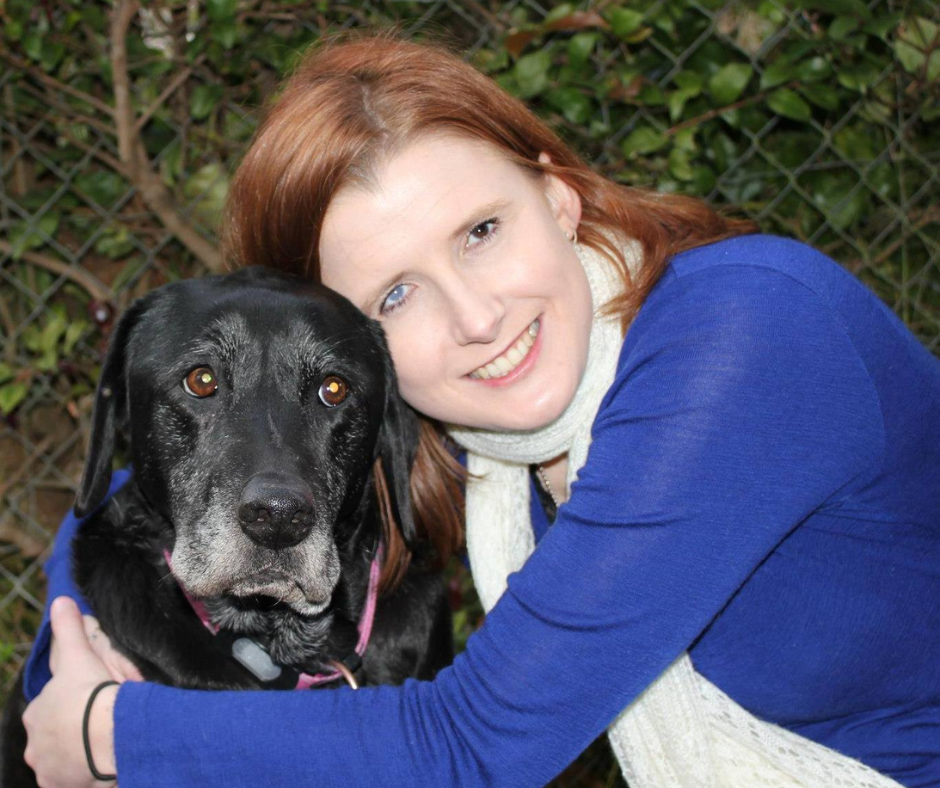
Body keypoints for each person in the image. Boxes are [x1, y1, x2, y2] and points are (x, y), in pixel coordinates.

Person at [21, 33, 940, 788]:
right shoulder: (493, 442)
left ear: (557, 194)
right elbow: (145, 484)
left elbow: (478, 745)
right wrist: (67, 646)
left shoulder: (742, 334)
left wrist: (108, 731)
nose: (475, 317)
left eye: (481, 232)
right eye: (395, 296)